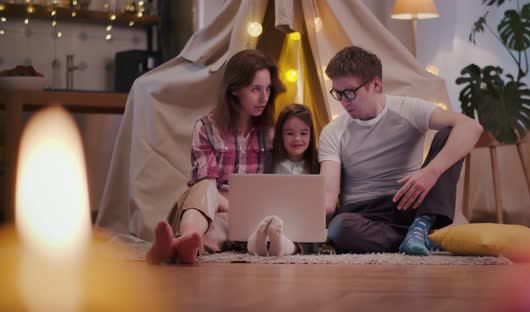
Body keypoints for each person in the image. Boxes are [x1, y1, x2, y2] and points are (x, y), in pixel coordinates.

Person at [319, 46, 483, 256]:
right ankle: (421, 239)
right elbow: (328, 199)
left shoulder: (408, 109)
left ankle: (421, 227)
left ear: (376, 84)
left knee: (450, 132)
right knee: (340, 228)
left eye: (350, 92)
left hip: (408, 204)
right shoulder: (333, 131)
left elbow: (471, 127)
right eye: (338, 93)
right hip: (362, 215)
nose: (343, 101)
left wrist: (431, 172)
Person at [146, 49, 286, 264]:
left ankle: (175, 249)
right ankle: (186, 241)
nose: (264, 98)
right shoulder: (206, 127)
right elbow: (208, 185)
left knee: (219, 228)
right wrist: (238, 207)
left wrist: (247, 210)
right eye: (255, 89)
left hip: (250, 213)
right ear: (234, 90)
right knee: (204, 189)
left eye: (267, 89)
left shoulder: (269, 132)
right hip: (211, 204)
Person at [246, 104, 320, 257]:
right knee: (255, 229)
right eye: (290, 133)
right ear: (280, 135)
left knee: (308, 241)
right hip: (268, 219)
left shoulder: (318, 162)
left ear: (311, 135)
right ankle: (259, 242)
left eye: (304, 133)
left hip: (303, 227)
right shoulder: (269, 160)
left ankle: (281, 246)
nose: (297, 139)